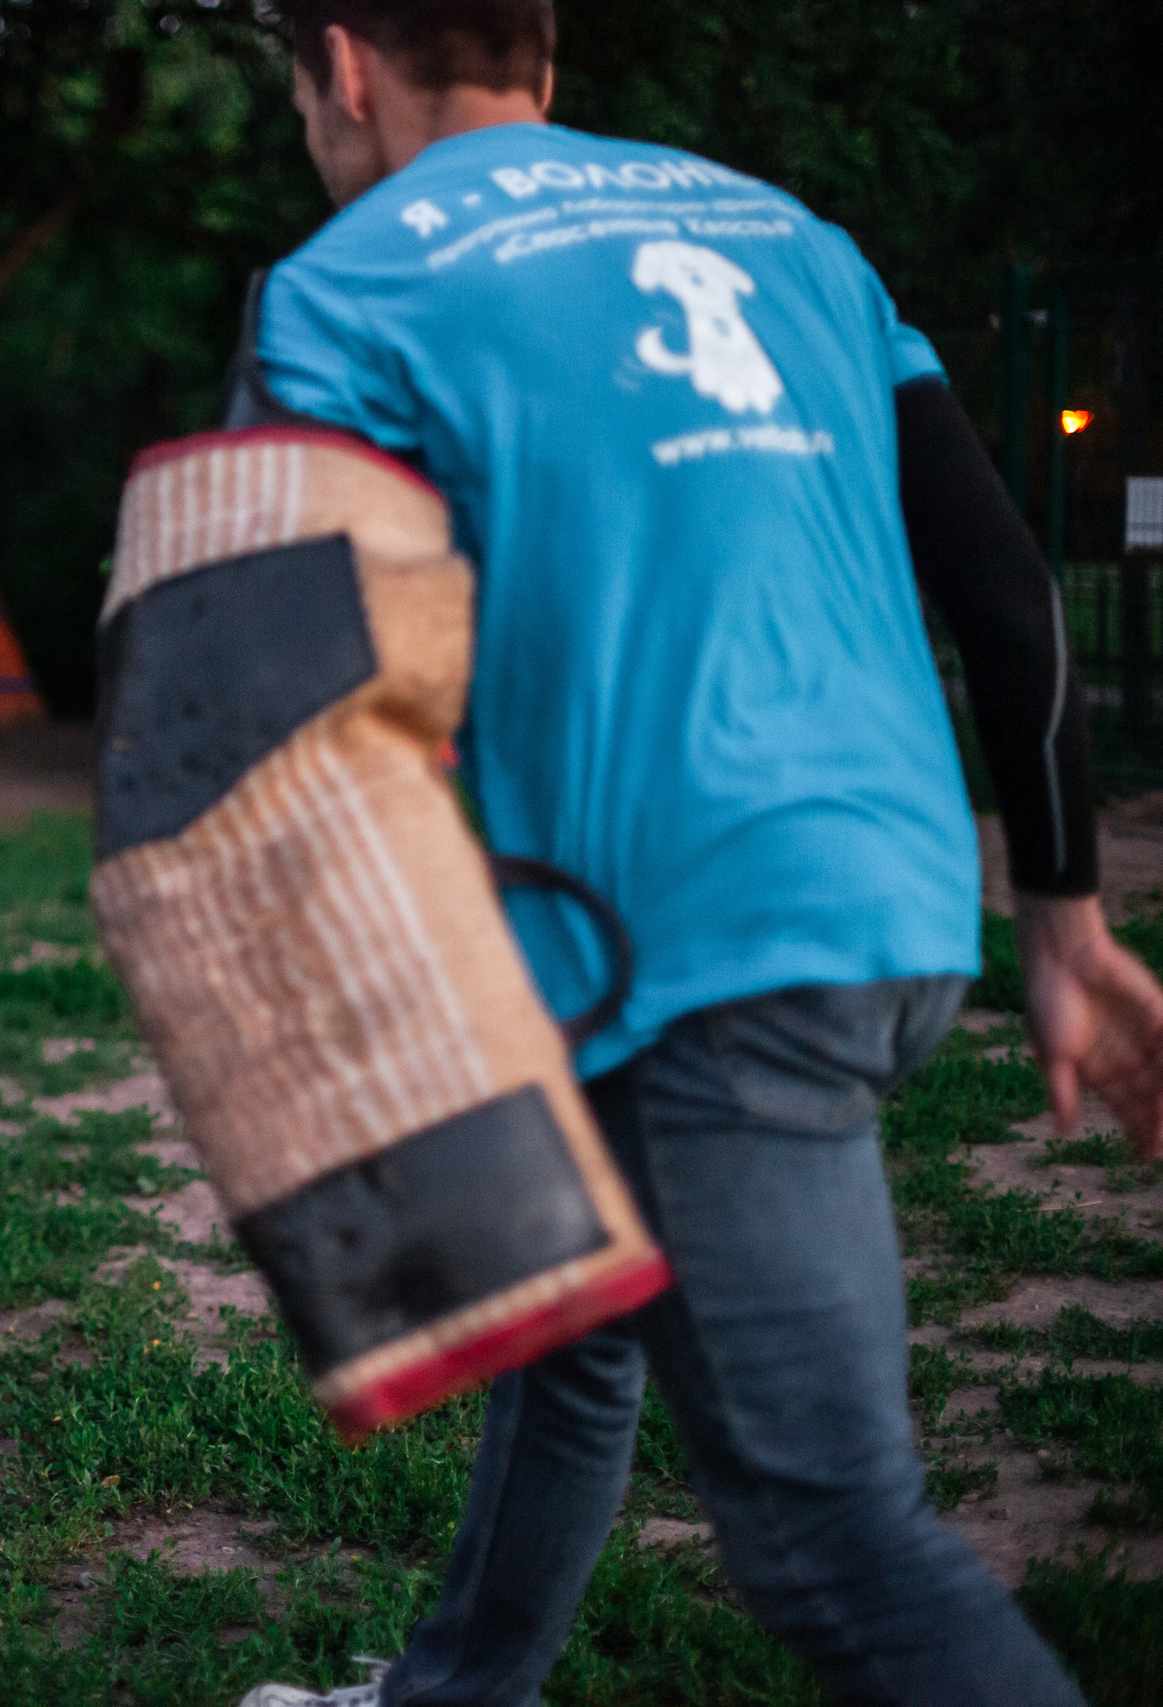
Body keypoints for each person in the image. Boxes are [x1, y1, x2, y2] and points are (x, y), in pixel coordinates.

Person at [227, 4, 1163, 1704]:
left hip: (691, 945)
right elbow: (1015, 603)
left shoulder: (347, 284)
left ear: (346, 68)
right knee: (577, 1338)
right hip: (888, 897)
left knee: (837, 1541)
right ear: (546, 61)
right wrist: (1068, 924)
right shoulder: (793, 237)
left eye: (298, 89)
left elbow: (299, 690)